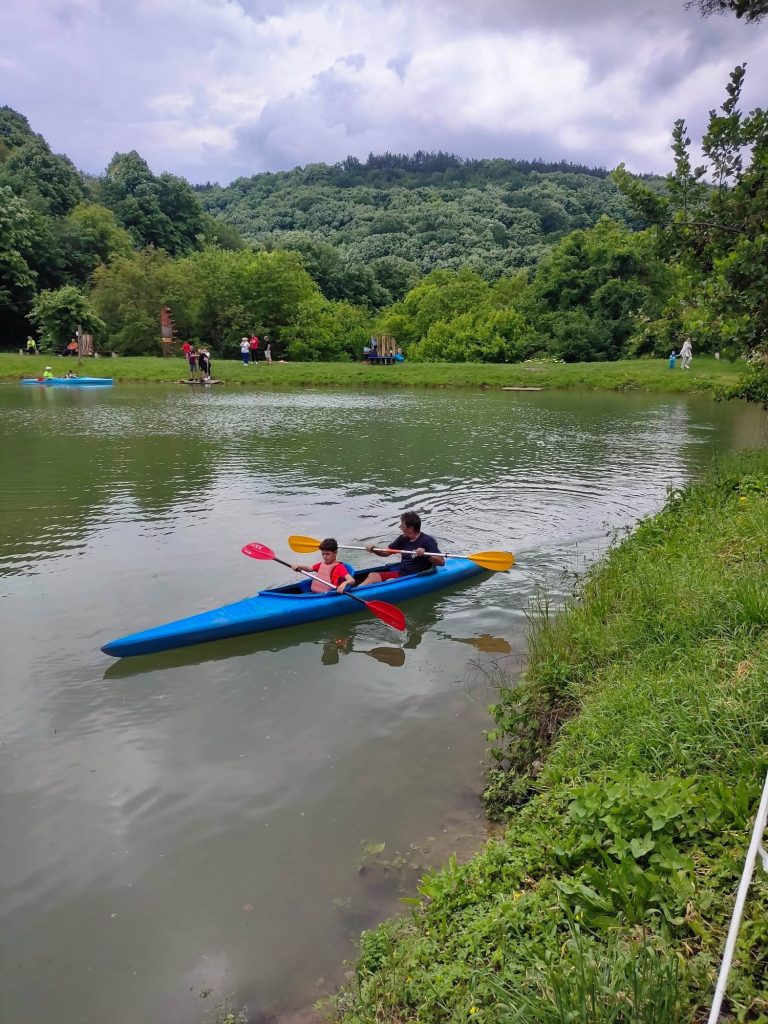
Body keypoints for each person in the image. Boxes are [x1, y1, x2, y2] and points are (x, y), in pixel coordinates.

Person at [361, 511, 445, 585]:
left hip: (415, 577)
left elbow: (441, 562)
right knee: (373, 575)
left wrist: (425, 555)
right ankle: (350, 595)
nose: (400, 528)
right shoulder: (402, 539)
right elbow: (386, 553)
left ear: (410, 529)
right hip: (402, 574)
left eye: (402, 526)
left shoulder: (427, 540)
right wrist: (374, 549)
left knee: (389, 581)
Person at [291, 538, 356, 595]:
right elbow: (308, 568)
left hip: (327, 596)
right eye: (323, 554)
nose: (324, 557)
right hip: (314, 594)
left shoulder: (339, 567)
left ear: (335, 553)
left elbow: (352, 580)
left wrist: (344, 583)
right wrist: (298, 566)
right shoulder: (322, 564)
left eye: (327, 554)